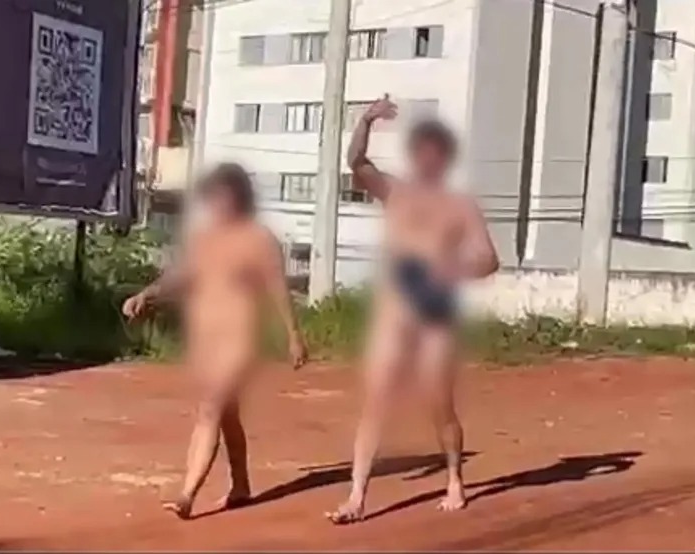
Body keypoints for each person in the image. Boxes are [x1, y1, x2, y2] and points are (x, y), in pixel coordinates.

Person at [326, 95, 500, 524]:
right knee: (376, 401)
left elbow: (488, 259)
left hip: (435, 312)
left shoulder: (460, 206)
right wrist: (366, 120)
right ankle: (356, 496)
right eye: (421, 151)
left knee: (440, 405)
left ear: (444, 159)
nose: (426, 160)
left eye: (434, 153)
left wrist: (454, 268)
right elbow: (356, 163)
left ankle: (455, 478)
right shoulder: (395, 192)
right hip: (395, 312)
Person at [122, 163, 308, 520]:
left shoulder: (259, 239)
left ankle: (187, 494)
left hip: (242, 338)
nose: (217, 203)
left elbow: (277, 288)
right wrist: (146, 294)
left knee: (210, 407)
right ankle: (241, 484)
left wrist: (293, 335)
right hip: (208, 339)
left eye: (224, 195)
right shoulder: (205, 239)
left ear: (239, 196)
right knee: (226, 414)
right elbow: (181, 276)